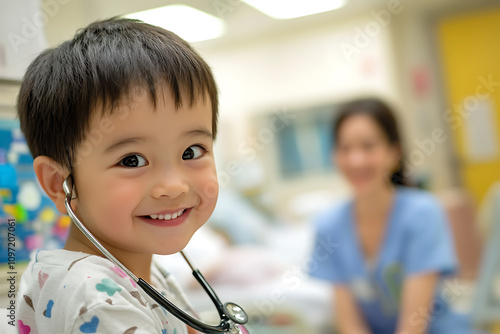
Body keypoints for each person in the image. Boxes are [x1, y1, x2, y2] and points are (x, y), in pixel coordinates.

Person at [17, 18, 219, 334]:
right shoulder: (97, 301)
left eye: (191, 152)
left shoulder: (136, 269)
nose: (174, 186)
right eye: (132, 160)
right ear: (60, 183)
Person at [309, 98, 473, 333]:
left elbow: (413, 326)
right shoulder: (328, 227)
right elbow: (350, 324)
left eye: (368, 146)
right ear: (335, 156)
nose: (356, 160)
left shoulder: (422, 214)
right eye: (345, 148)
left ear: (394, 152)